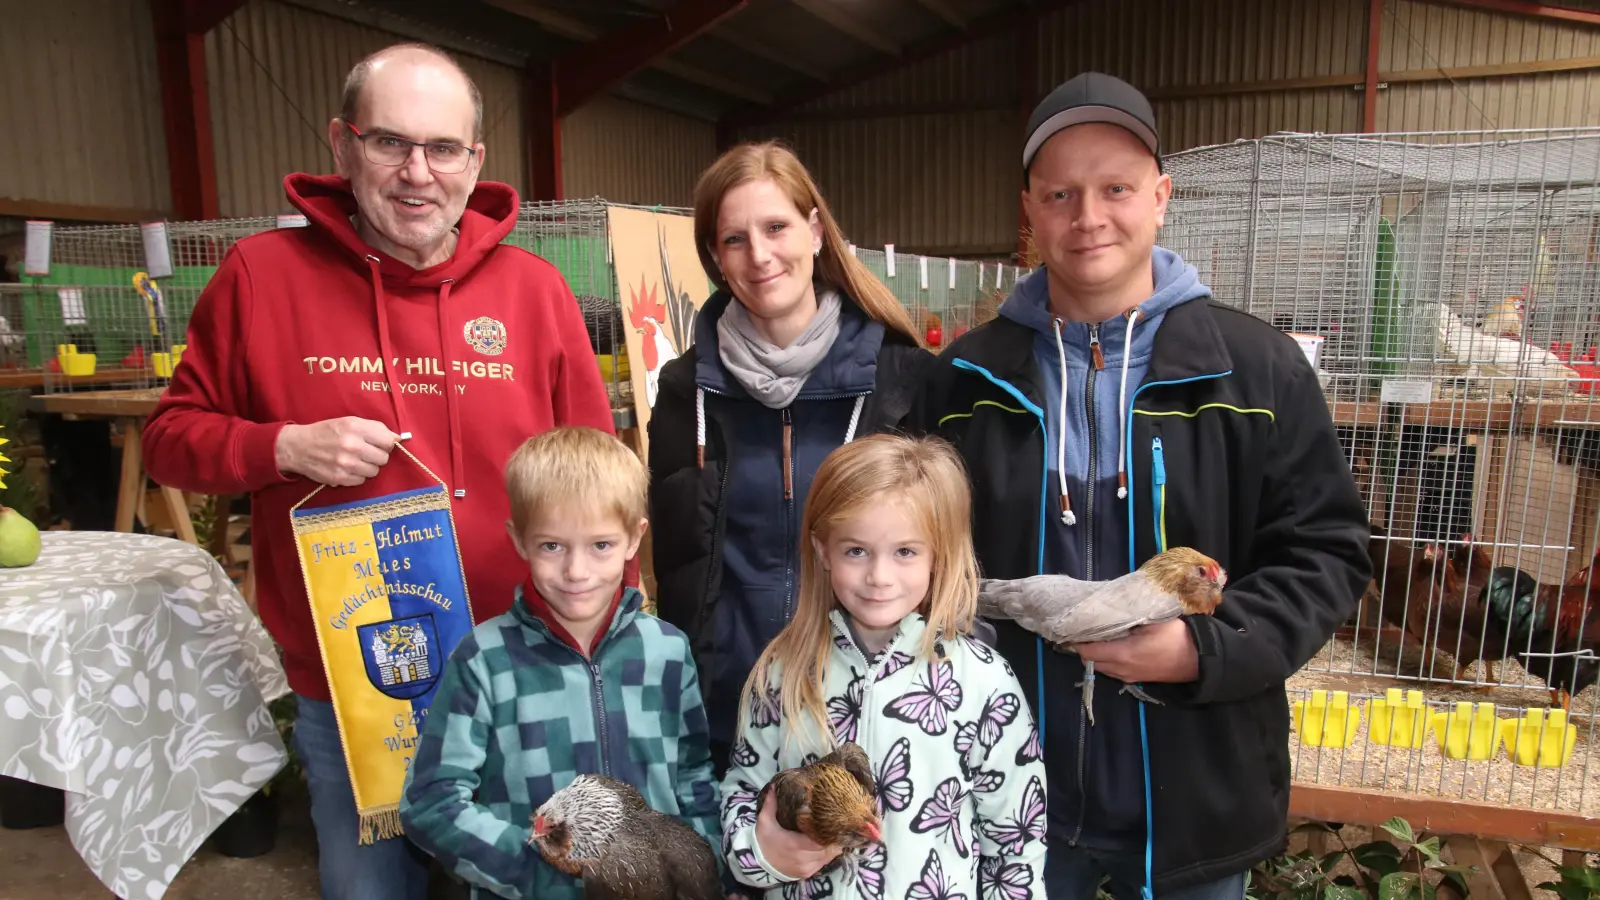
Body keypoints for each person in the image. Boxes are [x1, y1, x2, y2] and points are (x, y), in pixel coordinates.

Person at [140, 43, 619, 899]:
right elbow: (171, 439)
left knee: (525, 883)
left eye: (443, 149)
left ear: (475, 163)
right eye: (389, 142)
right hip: (356, 680)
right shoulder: (259, 277)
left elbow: (598, 474)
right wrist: (282, 447)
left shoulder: (534, 293)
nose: (416, 173)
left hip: (517, 668)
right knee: (368, 888)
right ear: (342, 145)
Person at [911, 72, 1371, 899]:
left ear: (1160, 197)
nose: (1088, 217)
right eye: (1061, 193)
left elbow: (1327, 552)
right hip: (1010, 792)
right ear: (1030, 213)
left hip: (1194, 796)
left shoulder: (1255, 371)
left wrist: (1205, 649)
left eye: (1115, 188)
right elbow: (919, 560)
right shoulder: (964, 381)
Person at [648, 141, 935, 779]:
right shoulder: (684, 391)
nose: (759, 255)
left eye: (776, 227)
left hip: (868, 723)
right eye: (733, 239)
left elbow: (941, 554)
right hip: (724, 720)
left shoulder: (901, 381)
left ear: (813, 231)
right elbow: (677, 562)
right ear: (716, 259)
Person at [720, 433, 1048, 898]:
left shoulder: (985, 682)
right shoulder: (782, 672)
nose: (879, 576)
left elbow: (1016, 841)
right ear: (821, 550)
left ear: (939, 554)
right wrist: (764, 853)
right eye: (856, 551)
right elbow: (743, 791)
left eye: (905, 552)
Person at [399, 426, 720, 899]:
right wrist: (538, 873)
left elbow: (693, 778)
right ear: (519, 540)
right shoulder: (483, 659)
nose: (576, 571)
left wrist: (703, 869)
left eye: (601, 545)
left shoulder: (667, 650)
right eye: (552, 545)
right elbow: (430, 802)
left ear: (635, 538)